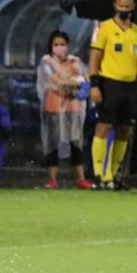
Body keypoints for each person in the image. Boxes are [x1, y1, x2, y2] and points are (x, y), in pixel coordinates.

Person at [88, 0, 137, 189]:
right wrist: (94, 85)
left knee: (125, 130)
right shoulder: (104, 28)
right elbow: (95, 58)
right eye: (120, 5)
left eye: (127, 6)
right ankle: (99, 174)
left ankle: (114, 175)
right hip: (109, 84)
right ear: (114, 5)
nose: (123, 9)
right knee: (103, 126)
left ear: (133, 7)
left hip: (131, 86)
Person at [37, 30, 93, 190]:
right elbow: (56, 81)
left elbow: (86, 80)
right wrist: (76, 81)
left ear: (68, 46)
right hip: (53, 107)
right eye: (56, 44)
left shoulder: (75, 61)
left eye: (62, 44)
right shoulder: (46, 62)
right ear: (51, 46)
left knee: (76, 141)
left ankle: (80, 179)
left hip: (73, 107)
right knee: (52, 141)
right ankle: (52, 179)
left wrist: (76, 82)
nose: (60, 47)